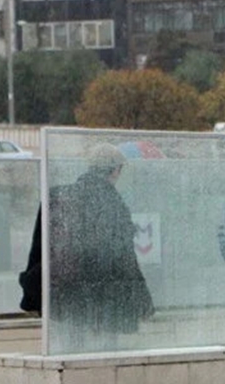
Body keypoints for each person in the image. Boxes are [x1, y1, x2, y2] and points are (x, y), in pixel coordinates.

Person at [48, 143, 154, 351]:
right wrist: (142, 297)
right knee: (105, 353)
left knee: (70, 349)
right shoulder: (112, 203)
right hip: (103, 294)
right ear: (115, 170)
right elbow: (122, 255)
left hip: (66, 294)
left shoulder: (64, 195)